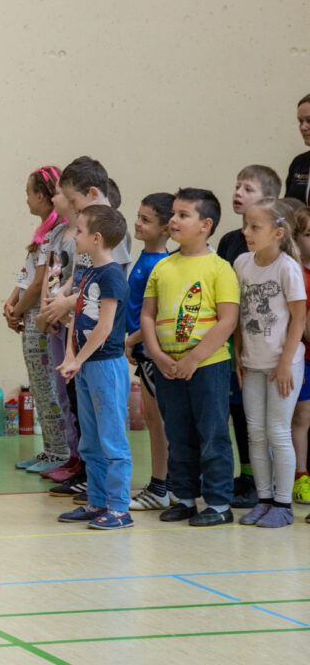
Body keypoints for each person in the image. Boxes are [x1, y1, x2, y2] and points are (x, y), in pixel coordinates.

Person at [142, 188, 240, 527]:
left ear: (205, 225)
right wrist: (157, 355)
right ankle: (184, 498)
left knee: (212, 433)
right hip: (167, 367)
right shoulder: (163, 267)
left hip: (207, 366)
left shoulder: (220, 268)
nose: (173, 220)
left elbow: (227, 320)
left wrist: (193, 359)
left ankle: (219, 503)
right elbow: (148, 316)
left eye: (183, 215)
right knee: (178, 434)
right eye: (173, 214)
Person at [56, 206, 133, 529]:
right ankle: (96, 502)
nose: (75, 236)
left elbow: (104, 327)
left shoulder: (112, 275)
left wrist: (79, 359)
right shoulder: (87, 271)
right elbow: (77, 316)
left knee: (112, 439)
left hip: (106, 366)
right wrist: (70, 355)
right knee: (90, 440)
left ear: (97, 238)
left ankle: (120, 508)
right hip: (85, 365)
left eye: (80, 231)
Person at [233, 198, 306, 528]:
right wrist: (239, 353)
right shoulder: (242, 263)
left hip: (283, 365)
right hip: (252, 364)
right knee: (256, 433)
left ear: (278, 232)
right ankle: (263, 500)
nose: (246, 232)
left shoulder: (287, 267)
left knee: (278, 431)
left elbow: (299, 318)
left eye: (254, 227)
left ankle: (283, 504)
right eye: (246, 225)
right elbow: (239, 313)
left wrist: (285, 362)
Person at [216, 164, 281, 509]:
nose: (238, 192)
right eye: (237, 186)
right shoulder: (230, 241)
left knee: (268, 417)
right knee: (239, 411)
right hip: (235, 338)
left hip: (268, 342)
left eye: (248, 188)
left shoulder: (278, 247)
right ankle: (247, 474)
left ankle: (270, 481)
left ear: (269, 199)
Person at [4, 166, 71, 477]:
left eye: (29, 193)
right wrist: (11, 303)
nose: (26, 199)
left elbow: (39, 283)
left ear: (44, 197)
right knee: (41, 386)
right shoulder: (44, 232)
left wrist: (19, 310)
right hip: (28, 312)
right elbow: (26, 275)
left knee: (48, 386)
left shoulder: (58, 233)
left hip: (38, 315)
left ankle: (61, 450)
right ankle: (50, 447)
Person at [124, 192, 175, 511]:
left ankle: (161, 486)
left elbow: (157, 316)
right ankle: (165, 484)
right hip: (142, 351)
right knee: (152, 418)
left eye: (146, 220)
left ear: (166, 227)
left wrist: (132, 340)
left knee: (159, 421)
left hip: (151, 350)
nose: (138, 223)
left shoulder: (161, 265)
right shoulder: (143, 258)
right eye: (138, 216)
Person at [292, 205, 310, 511]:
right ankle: (300, 476)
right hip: (301, 357)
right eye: (308, 234)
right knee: (301, 417)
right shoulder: (295, 273)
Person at [283, 93, 310, 202]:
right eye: (300, 121)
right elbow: (287, 207)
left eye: (309, 120)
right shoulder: (299, 162)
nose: (303, 127)